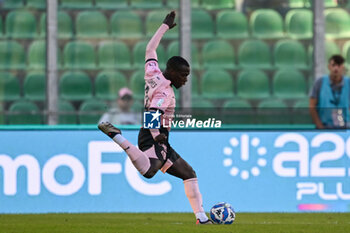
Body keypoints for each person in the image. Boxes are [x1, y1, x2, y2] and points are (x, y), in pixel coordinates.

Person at [98, 11, 212, 224]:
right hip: (154, 136)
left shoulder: (153, 73)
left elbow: (150, 49)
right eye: (183, 75)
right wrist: (157, 135)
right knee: (150, 172)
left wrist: (164, 26)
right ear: (172, 72)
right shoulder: (164, 92)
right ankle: (117, 136)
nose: (185, 80)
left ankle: (201, 218)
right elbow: (152, 113)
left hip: (158, 135)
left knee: (188, 173)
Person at [309, 55, 350, 129]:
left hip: (345, 127)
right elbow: (312, 106)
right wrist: (320, 126)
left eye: (339, 65)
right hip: (325, 126)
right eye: (333, 65)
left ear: (343, 67)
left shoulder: (348, 83)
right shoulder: (320, 82)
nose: (336, 68)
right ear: (329, 67)